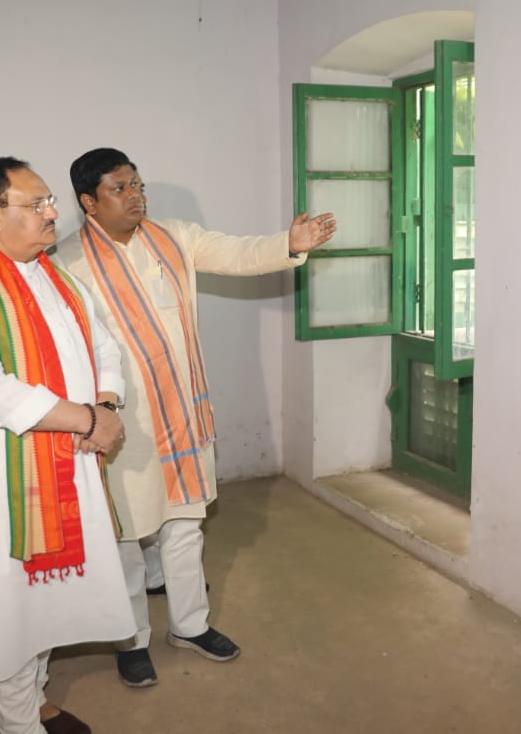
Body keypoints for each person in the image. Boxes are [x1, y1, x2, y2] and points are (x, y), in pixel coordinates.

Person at [55, 147, 337, 690]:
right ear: (89, 201)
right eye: (120, 188)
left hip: (182, 410)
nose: (135, 195)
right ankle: (130, 639)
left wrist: (289, 244)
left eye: (138, 184)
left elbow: (235, 253)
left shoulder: (174, 237)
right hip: (122, 424)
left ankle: (189, 625)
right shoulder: (68, 263)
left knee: (185, 527)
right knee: (128, 538)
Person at [0, 157, 135, 734]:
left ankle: (34, 699)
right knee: (6, 606)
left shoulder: (57, 277)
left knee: (43, 604)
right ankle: (18, 724)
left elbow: (105, 347)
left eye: (49, 202)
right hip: (0, 478)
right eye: (35, 203)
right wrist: (87, 418)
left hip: (70, 458)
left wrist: (106, 408)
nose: (52, 212)